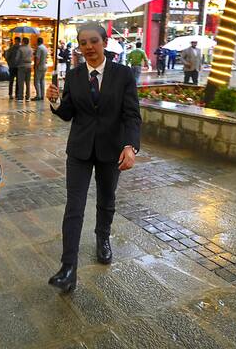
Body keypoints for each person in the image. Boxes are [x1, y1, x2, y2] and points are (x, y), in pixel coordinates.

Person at [45, 23, 141, 292]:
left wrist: (130, 146)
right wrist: (55, 102)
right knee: (74, 207)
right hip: (80, 150)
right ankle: (68, 268)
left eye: (94, 41)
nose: (88, 47)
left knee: (106, 199)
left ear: (105, 42)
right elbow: (68, 113)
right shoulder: (74, 75)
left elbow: (132, 114)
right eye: (83, 42)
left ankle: (103, 238)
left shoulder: (123, 74)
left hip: (111, 149)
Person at [15, 37, 33, 102]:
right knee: (28, 82)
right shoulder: (31, 49)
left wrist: (16, 63)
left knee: (21, 82)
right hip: (29, 66)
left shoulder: (20, 49)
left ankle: (20, 97)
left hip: (21, 66)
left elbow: (17, 58)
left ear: (23, 42)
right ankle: (28, 97)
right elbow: (32, 57)